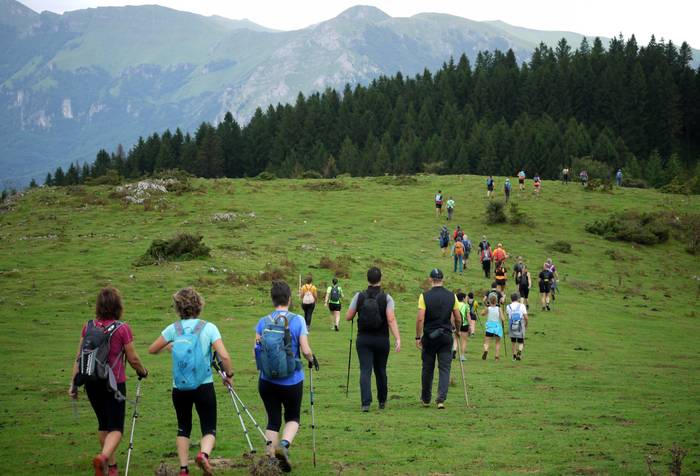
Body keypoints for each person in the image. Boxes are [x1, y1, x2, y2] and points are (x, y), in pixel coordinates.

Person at [148, 287, 232, 476]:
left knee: (183, 427)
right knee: (209, 427)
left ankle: (184, 469)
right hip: (204, 385)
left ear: (178, 308)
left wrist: (171, 347)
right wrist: (229, 374)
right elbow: (224, 356)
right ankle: (203, 455)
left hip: (180, 387)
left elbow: (152, 349)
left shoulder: (174, 329)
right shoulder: (208, 327)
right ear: (199, 305)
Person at [70, 287, 148, 476]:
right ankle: (104, 457)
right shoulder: (122, 328)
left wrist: (73, 384)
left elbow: (79, 357)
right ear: (118, 306)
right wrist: (142, 371)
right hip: (114, 384)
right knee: (116, 428)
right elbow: (133, 358)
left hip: (91, 381)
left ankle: (111, 469)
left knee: (103, 424)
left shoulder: (88, 326)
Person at [253, 281, 316, 472]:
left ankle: (271, 458)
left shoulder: (263, 322)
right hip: (292, 380)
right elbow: (305, 350)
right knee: (293, 416)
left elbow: (256, 351)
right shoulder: (298, 320)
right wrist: (312, 359)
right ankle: (285, 444)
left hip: (267, 381)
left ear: (273, 300)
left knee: (273, 419)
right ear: (289, 299)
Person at [345, 267, 401, 412]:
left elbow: (348, 317)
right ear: (380, 279)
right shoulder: (387, 298)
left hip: (363, 339)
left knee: (365, 370)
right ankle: (382, 401)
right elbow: (390, 319)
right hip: (382, 339)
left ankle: (365, 403)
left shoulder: (359, 296)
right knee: (381, 370)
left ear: (367, 279)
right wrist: (398, 338)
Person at [415, 269, 461, 409]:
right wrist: (457, 330)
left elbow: (420, 318)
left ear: (430, 279)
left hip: (429, 337)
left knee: (427, 368)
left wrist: (418, 336)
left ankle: (426, 399)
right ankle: (441, 399)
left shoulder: (424, 296)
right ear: (443, 279)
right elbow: (458, 318)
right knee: (445, 368)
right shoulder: (452, 296)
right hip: (446, 336)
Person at [481, 293, 505, 361]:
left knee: (486, 342)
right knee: (497, 343)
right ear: (496, 301)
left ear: (489, 301)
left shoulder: (488, 308)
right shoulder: (499, 308)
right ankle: (496, 357)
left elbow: (482, 314)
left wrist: (485, 307)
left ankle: (486, 350)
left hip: (489, 328)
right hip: (497, 327)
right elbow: (503, 319)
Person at [506, 292, 528, 361]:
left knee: (513, 342)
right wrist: (526, 324)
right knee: (521, 342)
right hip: (520, 324)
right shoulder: (522, 306)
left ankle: (514, 356)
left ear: (511, 299)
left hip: (511, 324)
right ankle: (519, 352)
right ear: (518, 299)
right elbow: (526, 317)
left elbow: (508, 316)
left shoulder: (508, 306)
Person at [454, 292, 474, 361]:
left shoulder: (455, 305)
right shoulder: (466, 306)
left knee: (456, 338)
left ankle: (454, 350)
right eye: (465, 298)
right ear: (463, 298)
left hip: (456, 324)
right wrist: (470, 326)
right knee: (464, 340)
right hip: (464, 325)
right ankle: (462, 356)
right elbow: (468, 316)